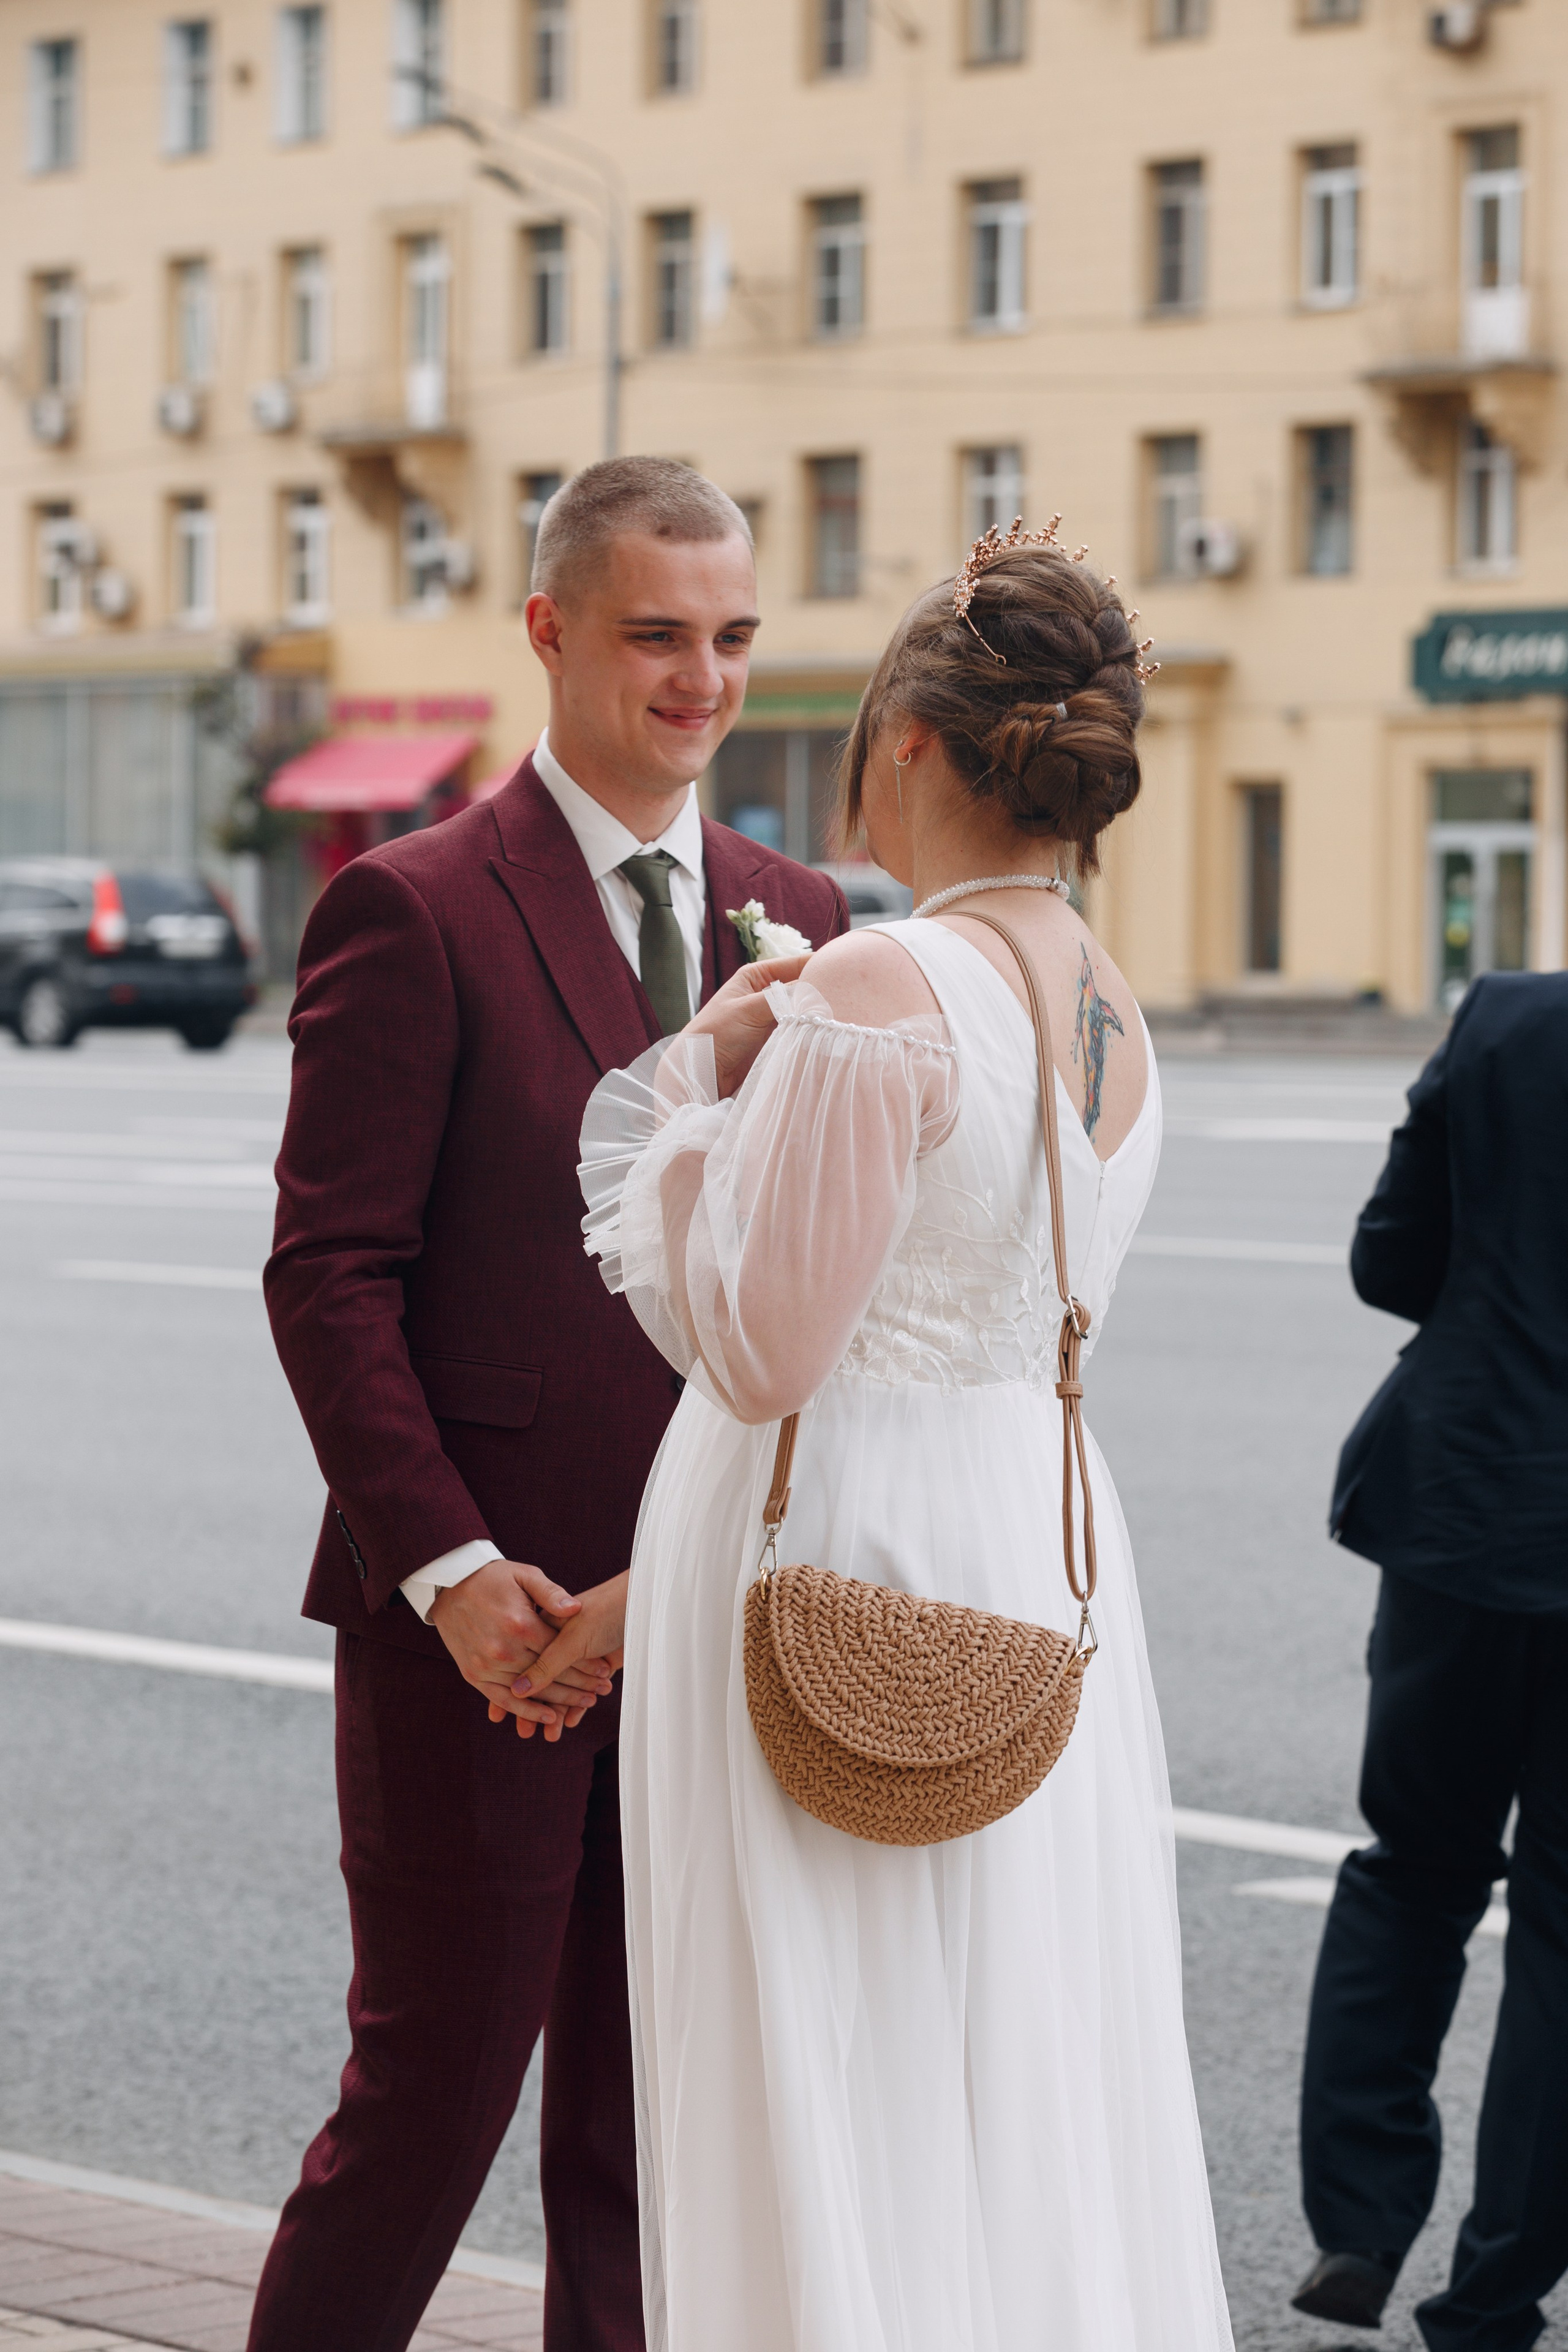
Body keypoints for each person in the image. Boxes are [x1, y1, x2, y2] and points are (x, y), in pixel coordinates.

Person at [522, 530, 1236, 2351]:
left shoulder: (876, 988)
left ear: (909, 742)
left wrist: (696, 1089)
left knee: (818, 2056)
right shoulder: (1108, 1007)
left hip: (833, 1550)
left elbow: (762, 1349)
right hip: (1026, 1536)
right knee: (1008, 2061)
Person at [247, 458, 848, 2352]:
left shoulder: (799, 913)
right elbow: (329, 1276)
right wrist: (453, 1573)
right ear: (552, 631)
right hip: (484, 1643)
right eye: (658, 634)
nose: (703, 678)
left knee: (654, 2131)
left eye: (734, 637)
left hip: (700, 1626)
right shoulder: (412, 910)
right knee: (428, 2111)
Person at [1294, 971, 1568, 2351]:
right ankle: (1491, 2297)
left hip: (1463, 1503)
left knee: (1410, 1868)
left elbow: (1386, 1261)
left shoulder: (1509, 1020)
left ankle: (1356, 2220)